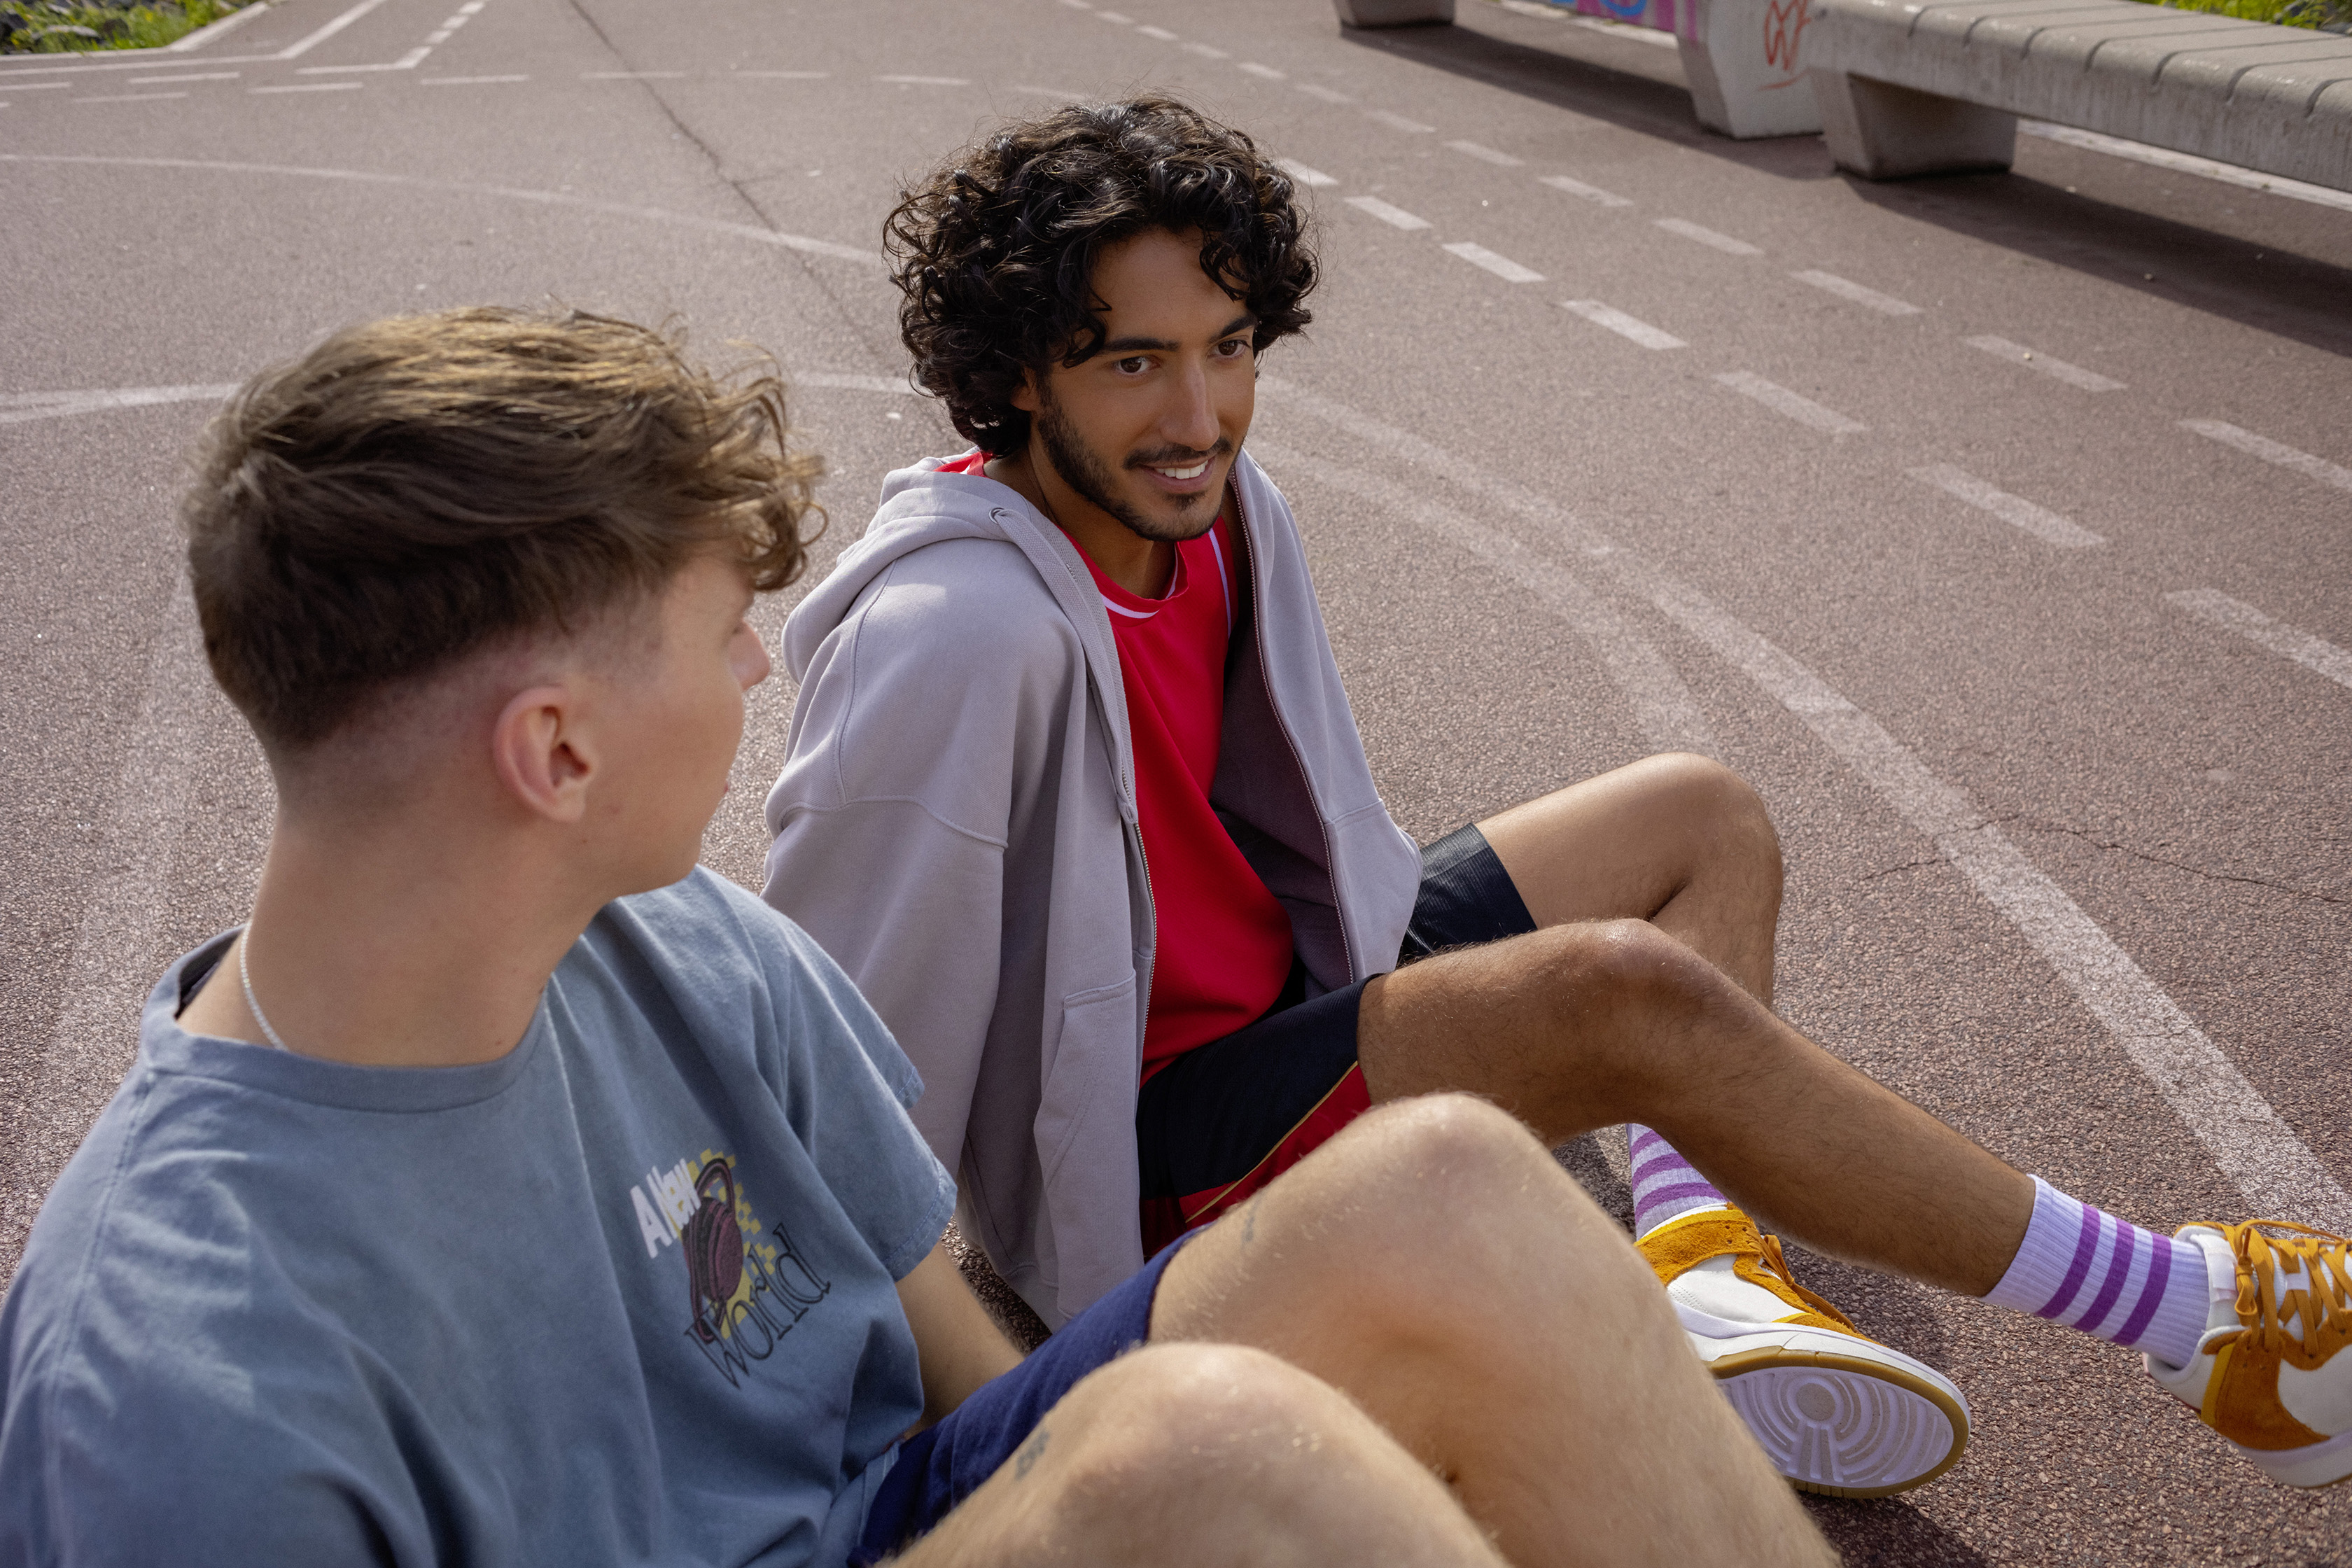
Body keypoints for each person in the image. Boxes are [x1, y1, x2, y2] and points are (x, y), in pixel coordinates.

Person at [0, 306, 1842, 1567]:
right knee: (1197, 1458)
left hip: (892, 1519)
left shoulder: (694, 953)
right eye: (718, 626)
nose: (758, 669)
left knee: (1438, 1191)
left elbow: (975, 1398)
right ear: (553, 750)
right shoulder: (176, 1395)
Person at [760, 95, 2352, 1500]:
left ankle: (1710, 1269)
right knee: (1619, 997)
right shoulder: (952, 638)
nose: (1199, 418)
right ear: (1015, 380)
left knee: (1700, 814)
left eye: (1228, 349)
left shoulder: (1219, 517)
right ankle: (2204, 1315)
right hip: (1150, 1136)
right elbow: (824, 1051)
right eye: (1133, 363)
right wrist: (916, 1419)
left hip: (1300, 991)